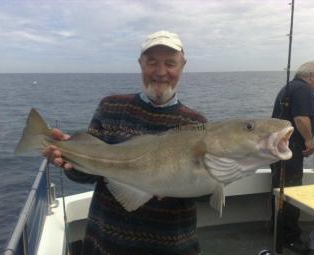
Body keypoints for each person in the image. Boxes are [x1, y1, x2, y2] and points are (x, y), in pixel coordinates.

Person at [44, 30, 207, 255]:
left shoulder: (196, 123)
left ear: (182, 66)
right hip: (104, 244)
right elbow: (88, 173)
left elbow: (205, 193)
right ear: (140, 64)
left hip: (172, 248)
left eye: (170, 63)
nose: (160, 72)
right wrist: (67, 158)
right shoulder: (110, 107)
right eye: (152, 63)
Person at [271, 61, 314, 254]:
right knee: (291, 194)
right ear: (311, 77)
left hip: (278, 151)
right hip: (290, 152)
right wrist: (309, 141)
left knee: (280, 191)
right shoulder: (304, 90)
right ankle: (290, 239)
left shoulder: (290, 88)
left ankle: (277, 230)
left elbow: (301, 115)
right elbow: (300, 118)